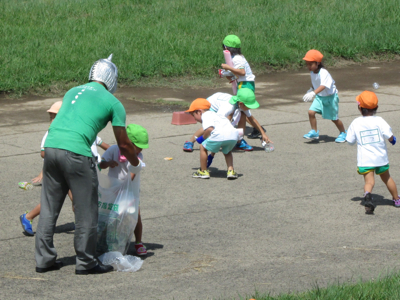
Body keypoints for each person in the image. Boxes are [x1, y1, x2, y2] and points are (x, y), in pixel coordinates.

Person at [35, 54, 141, 275]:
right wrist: (135, 162)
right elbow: (123, 143)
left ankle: (44, 260)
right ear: (112, 79)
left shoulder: (72, 91)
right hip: (77, 153)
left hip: (51, 148)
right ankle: (86, 262)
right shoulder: (114, 103)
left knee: (49, 208)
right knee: (86, 210)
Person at [19, 100, 110, 235]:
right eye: (51, 117)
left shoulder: (83, 130)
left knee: (67, 200)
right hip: (68, 169)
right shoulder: (52, 133)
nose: (52, 120)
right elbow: (44, 153)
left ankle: (29, 217)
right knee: (70, 200)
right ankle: (84, 228)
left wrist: (118, 152)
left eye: (55, 117)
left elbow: (104, 145)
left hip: (87, 170)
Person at [183, 89, 272, 167]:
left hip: (223, 106)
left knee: (243, 115)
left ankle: (239, 141)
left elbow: (252, 119)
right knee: (209, 126)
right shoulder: (227, 108)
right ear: (241, 103)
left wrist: (263, 134)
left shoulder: (241, 104)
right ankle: (190, 142)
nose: (249, 108)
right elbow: (217, 126)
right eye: (249, 105)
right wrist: (212, 154)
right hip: (209, 106)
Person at [346, 91, 400, 214]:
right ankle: (396, 199)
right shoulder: (380, 120)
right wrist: (393, 140)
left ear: (359, 108)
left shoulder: (356, 122)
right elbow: (389, 135)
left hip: (365, 160)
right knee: (387, 178)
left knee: (369, 182)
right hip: (380, 158)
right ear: (376, 108)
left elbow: (349, 141)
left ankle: (368, 195)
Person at [99, 124, 149, 256]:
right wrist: (108, 163)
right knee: (113, 216)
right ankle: (111, 240)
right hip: (113, 189)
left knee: (135, 215)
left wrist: (123, 188)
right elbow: (101, 164)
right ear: (128, 143)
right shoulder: (113, 150)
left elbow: (132, 174)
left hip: (130, 191)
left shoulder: (138, 156)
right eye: (138, 147)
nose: (140, 150)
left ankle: (138, 241)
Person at [220, 34, 265, 139]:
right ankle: (257, 130)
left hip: (246, 85)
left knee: (242, 110)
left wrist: (228, 68)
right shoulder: (236, 57)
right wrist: (229, 75)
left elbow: (242, 72)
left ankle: (259, 130)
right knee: (242, 110)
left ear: (226, 48)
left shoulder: (237, 59)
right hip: (244, 84)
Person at [186, 98, 240, 180]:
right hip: (233, 135)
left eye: (194, 115)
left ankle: (203, 171)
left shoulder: (206, 115)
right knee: (227, 151)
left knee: (202, 147)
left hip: (220, 135)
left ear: (199, 112)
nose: (195, 119)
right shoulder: (217, 115)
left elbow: (209, 129)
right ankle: (230, 171)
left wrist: (203, 138)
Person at [302, 49, 346, 143]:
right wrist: (311, 89)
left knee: (334, 118)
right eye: (307, 64)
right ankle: (314, 131)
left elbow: (323, 85)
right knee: (311, 112)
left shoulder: (323, 72)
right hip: (319, 97)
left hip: (330, 98)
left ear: (317, 63)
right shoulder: (312, 72)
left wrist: (313, 93)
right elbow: (316, 84)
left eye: (310, 64)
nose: (308, 66)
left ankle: (343, 133)